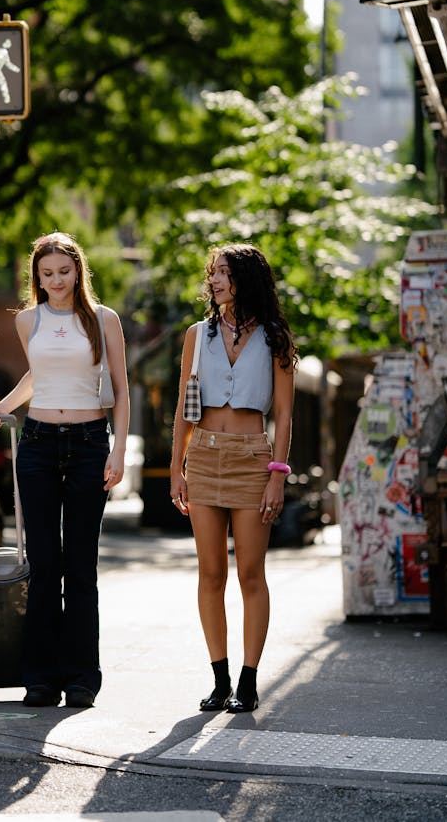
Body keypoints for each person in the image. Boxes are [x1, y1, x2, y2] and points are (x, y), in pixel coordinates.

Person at [0, 231, 130, 710]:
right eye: (47, 274)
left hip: (89, 445)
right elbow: (36, 376)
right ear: (36, 277)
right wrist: (1, 408)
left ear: (78, 271)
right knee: (43, 566)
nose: (56, 281)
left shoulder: (104, 320)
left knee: (80, 567)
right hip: (38, 443)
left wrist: (118, 451)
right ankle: (40, 679)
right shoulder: (28, 320)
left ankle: (82, 679)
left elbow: (121, 390)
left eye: (64, 272)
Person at [170, 242, 296, 714]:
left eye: (224, 272)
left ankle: (249, 680)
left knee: (250, 573)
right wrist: (177, 471)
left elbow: (283, 416)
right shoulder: (196, 335)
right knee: (210, 573)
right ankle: (219, 679)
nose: (215, 280)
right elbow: (185, 407)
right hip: (203, 455)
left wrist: (277, 476)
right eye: (213, 273)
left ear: (246, 278)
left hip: (252, 459)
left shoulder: (274, 338)